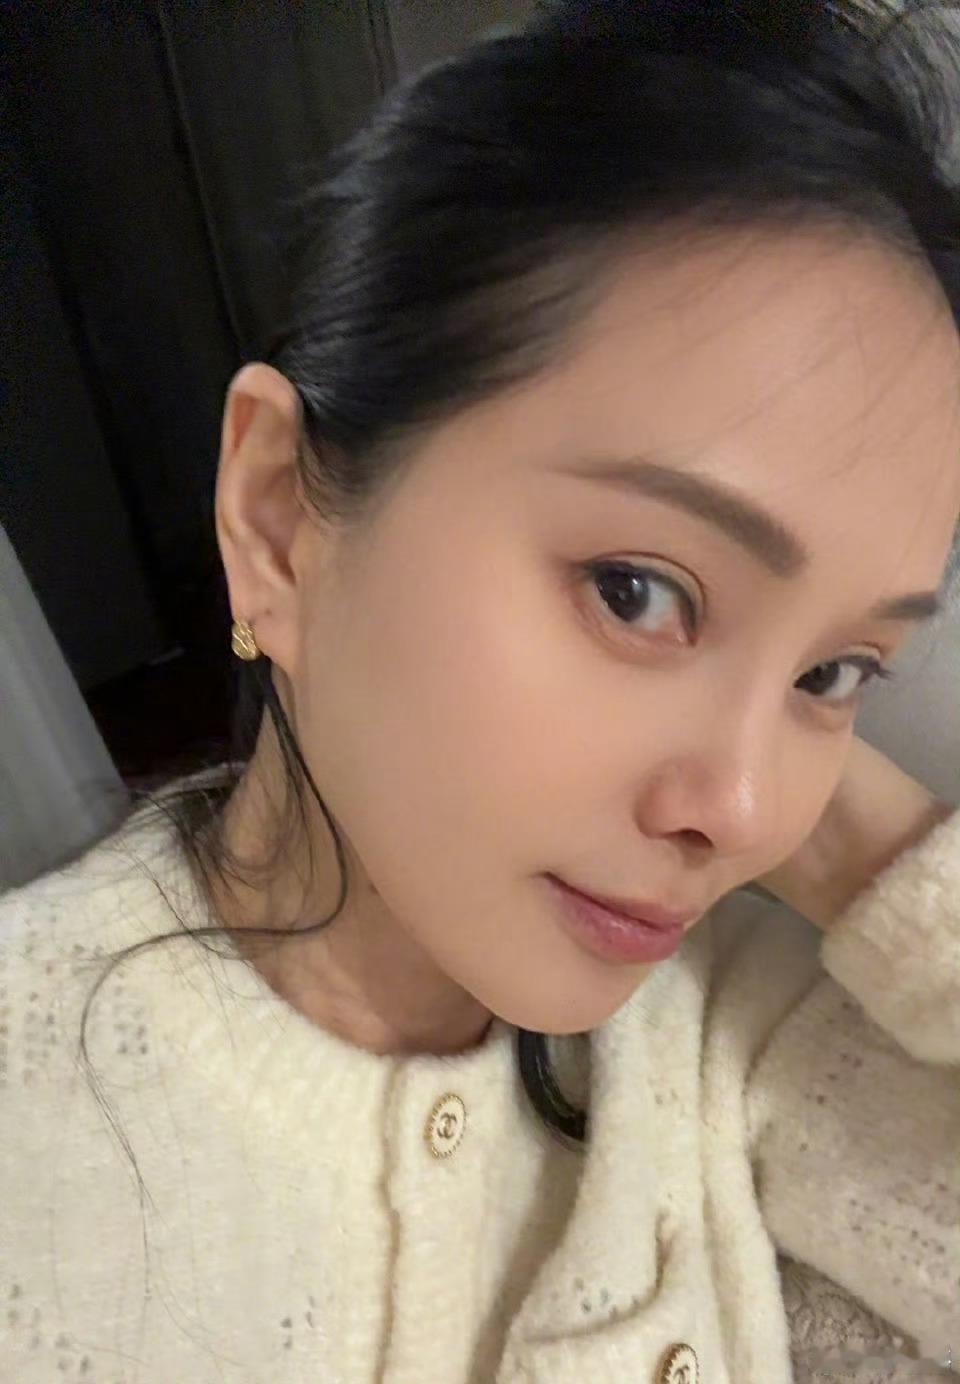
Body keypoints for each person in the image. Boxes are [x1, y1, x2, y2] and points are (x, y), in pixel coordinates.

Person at [2, 1, 959, 1380]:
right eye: (637, 590)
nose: (746, 814)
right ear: (277, 518)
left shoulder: (733, 1034)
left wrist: (863, 845)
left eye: (840, 670)